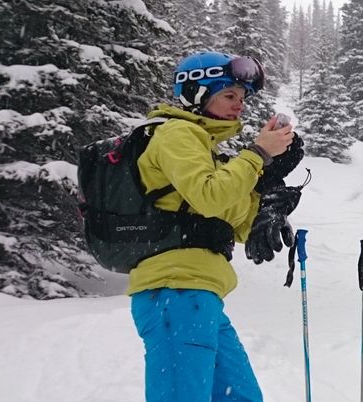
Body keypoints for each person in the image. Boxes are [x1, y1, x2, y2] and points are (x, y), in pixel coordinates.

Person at [128, 51, 303, 401]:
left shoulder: (206, 150)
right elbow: (210, 195)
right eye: (229, 95)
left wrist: (266, 187)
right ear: (195, 92)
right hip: (173, 293)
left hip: (200, 296)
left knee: (242, 396)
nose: (239, 104)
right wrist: (257, 154)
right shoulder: (176, 134)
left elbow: (234, 225)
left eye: (241, 97)